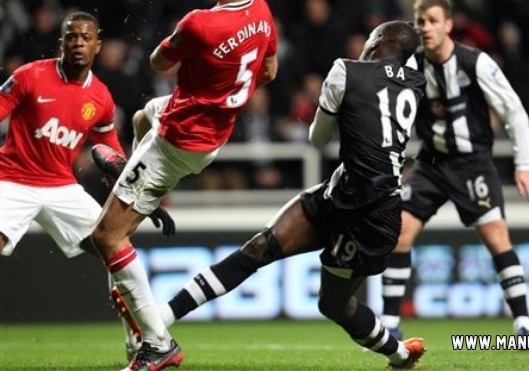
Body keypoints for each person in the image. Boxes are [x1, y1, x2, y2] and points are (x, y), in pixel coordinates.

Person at [113, 20, 428, 369]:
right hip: (350, 194)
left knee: (334, 305)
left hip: (367, 214)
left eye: (369, 39)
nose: (364, 46)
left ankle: (400, 354)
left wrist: (339, 105)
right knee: (258, 248)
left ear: (378, 41)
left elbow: (317, 139)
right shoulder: (415, 82)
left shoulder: (346, 70)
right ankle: (158, 320)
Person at [88, 0, 278, 370]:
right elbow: (269, 71)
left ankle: (159, 344)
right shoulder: (262, 11)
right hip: (211, 135)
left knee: (107, 237)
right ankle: (134, 179)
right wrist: (226, 96)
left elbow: (158, 62)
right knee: (143, 116)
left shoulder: (200, 23)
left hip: (178, 139)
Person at [378, 0, 529, 340]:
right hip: (431, 163)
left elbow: (513, 110)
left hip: (472, 164)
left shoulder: (476, 63)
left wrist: (523, 164)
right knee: (398, 233)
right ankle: (390, 325)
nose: (426, 28)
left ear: (449, 25)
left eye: (433, 21)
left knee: (496, 238)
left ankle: (523, 323)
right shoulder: (412, 65)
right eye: (421, 22)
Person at [0, 11, 141, 352]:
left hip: (62, 186)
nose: (78, 43)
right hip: (12, 179)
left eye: (85, 37)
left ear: (97, 46)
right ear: (62, 42)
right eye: (71, 36)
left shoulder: (101, 97)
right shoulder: (29, 76)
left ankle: (141, 339)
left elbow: (110, 150)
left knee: (116, 245)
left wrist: (132, 186)